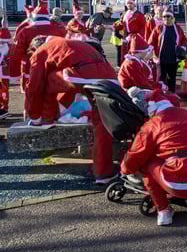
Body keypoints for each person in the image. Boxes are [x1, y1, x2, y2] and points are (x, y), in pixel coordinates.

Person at [120, 90, 187, 226]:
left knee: (147, 163)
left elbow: (136, 155)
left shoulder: (152, 125)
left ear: (151, 109)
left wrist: (124, 169)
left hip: (182, 182)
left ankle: (164, 211)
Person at [25, 35, 118, 183]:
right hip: (109, 78)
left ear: (36, 47)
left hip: (82, 76)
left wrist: (34, 115)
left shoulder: (42, 50)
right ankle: (103, 174)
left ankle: (46, 119)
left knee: (45, 79)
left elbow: (34, 86)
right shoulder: (70, 43)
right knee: (102, 124)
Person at [9, 0, 66, 88]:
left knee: (31, 93)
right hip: (52, 67)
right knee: (49, 95)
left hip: (31, 66)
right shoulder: (57, 30)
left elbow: (16, 52)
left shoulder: (25, 31)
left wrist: (14, 72)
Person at [148, 9, 187, 93]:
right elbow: (151, 41)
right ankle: (160, 95)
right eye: (164, 16)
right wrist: (149, 53)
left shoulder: (177, 28)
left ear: (172, 18)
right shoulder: (158, 28)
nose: (166, 18)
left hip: (173, 58)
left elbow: (183, 39)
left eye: (168, 16)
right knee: (161, 78)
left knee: (172, 78)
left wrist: (183, 48)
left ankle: (171, 95)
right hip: (161, 58)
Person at [0, 28, 11, 119]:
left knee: (5, 90)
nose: (2, 43)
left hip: (5, 72)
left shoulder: (10, 46)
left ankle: (5, 107)